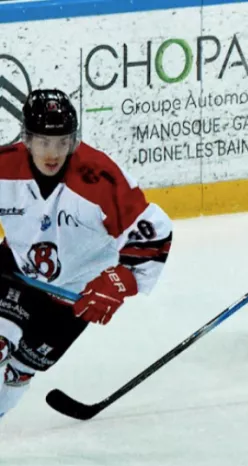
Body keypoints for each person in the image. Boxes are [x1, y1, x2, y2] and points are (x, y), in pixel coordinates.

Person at [0, 89, 172, 418]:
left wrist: (122, 279)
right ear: (27, 139)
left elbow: (154, 230)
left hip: (75, 293)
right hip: (17, 272)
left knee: (18, 372)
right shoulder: (4, 166)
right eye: (44, 142)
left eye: (62, 142)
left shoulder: (100, 177)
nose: (53, 153)